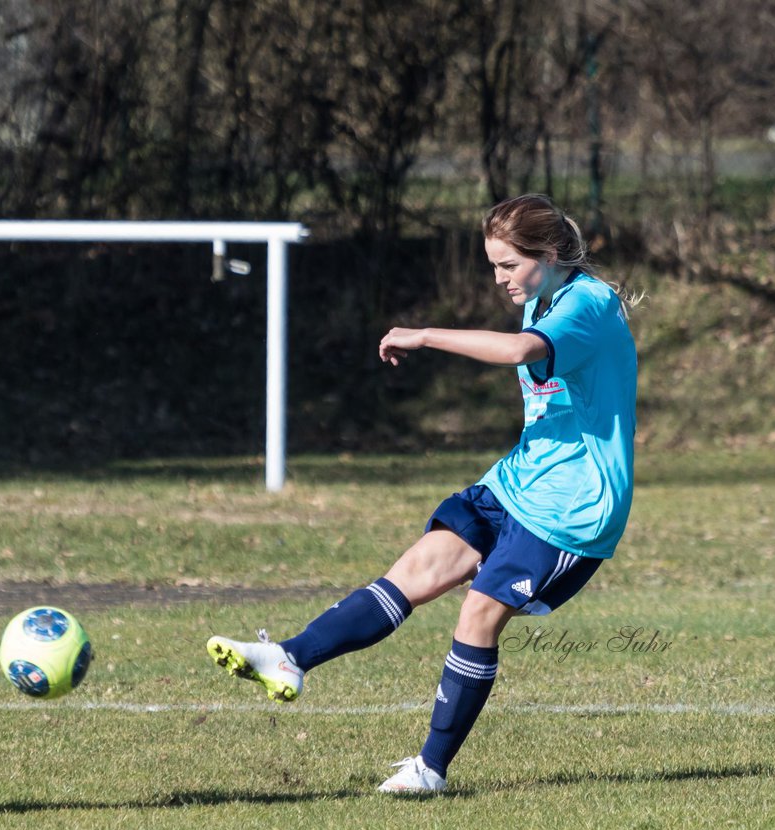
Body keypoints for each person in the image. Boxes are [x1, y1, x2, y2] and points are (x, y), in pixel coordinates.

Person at [206, 193, 637, 793]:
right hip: (517, 481)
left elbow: (518, 352)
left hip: (573, 508)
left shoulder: (587, 303)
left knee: (477, 614)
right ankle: (290, 657)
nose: (499, 278)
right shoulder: (543, 296)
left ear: (551, 252)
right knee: (414, 571)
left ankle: (429, 769)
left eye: (508, 265)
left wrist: (427, 334)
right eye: (493, 264)